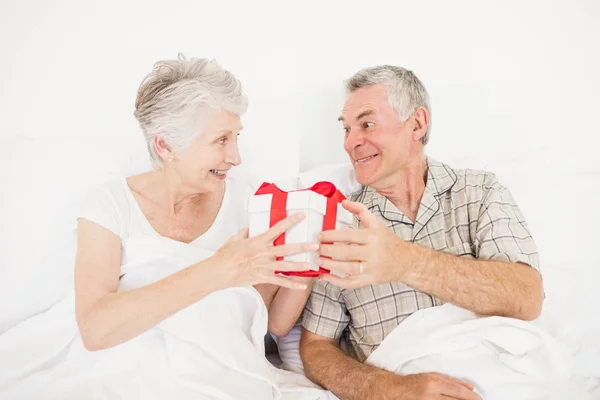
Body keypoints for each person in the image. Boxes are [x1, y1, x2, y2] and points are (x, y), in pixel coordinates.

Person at [300, 65, 544, 400]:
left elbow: (526, 297)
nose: (351, 142)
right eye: (346, 129)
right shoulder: (341, 223)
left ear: (417, 124)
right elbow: (316, 346)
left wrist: (404, 262)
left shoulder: (480, 192)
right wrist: (386, 389)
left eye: (367, 124)